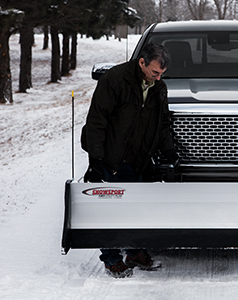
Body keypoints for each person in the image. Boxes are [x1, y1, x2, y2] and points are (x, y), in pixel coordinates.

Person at [81, 43, 179, 278]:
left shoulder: (158, 88)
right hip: (113, 157)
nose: (158, 77)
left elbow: (162, 124)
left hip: (140, 159)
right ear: (141, 62)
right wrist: (95, 159)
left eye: (162, 74)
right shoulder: (115, 79)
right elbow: (97, 120)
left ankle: (134, 252)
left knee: (136, 207)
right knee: (112, 210)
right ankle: (111, 258)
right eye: (154, 72)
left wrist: (170, 153)